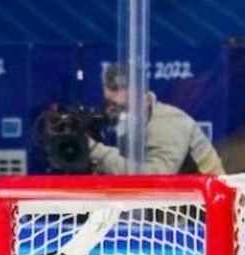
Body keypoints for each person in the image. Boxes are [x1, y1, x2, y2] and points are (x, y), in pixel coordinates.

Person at [89, 63, 224, 176]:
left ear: (146, 100)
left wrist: (96, 151)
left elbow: (157, 178)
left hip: (206, 202)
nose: (114, 113)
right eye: (110, 105)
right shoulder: (123, 126)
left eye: (124, 107)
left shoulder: (169, 123)